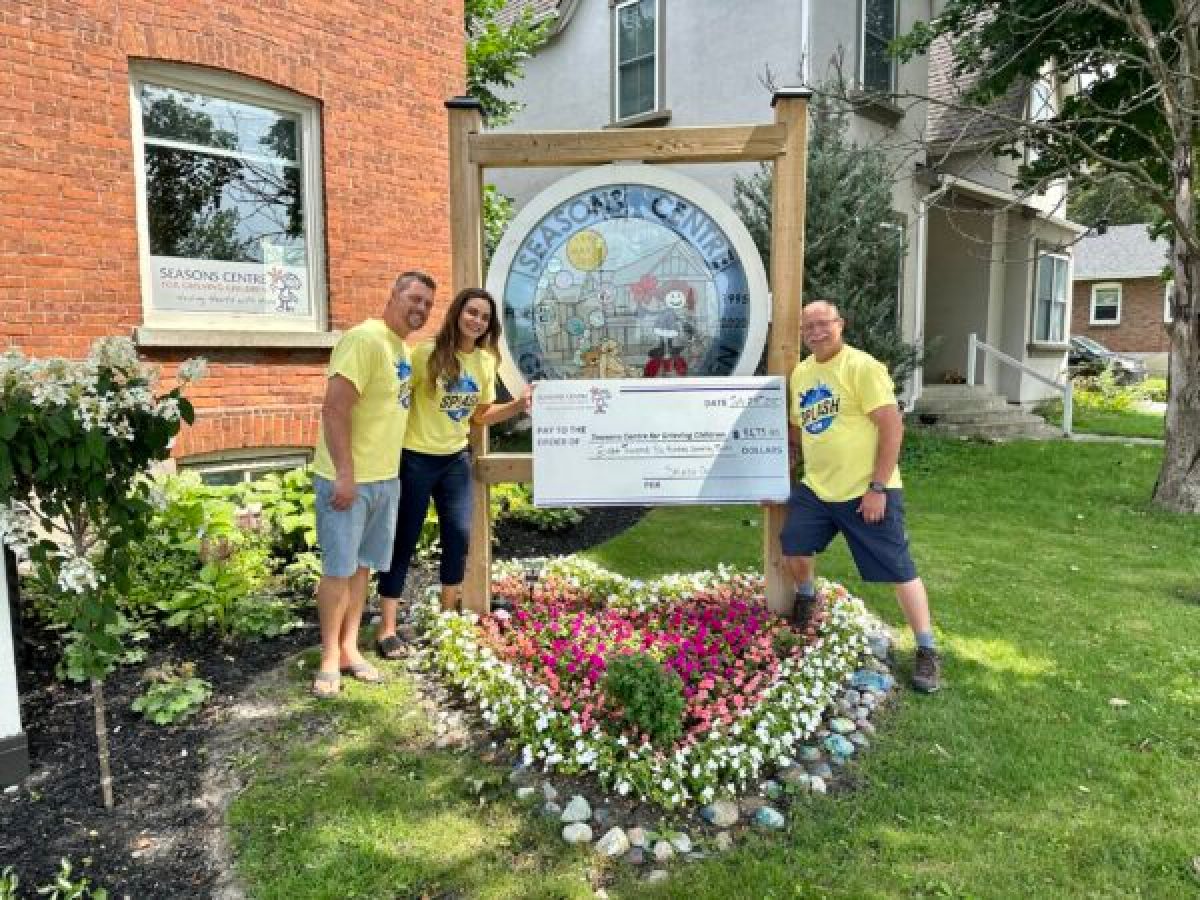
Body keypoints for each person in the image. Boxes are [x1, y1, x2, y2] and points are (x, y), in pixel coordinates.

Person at [781, 300, 941, 693]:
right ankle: (806, 597)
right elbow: (799, 430)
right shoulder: (802, 373)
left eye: (824, 324)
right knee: (794, 550)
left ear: (841, 324)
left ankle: (926, 649)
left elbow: (892, 428)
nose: (816, 332)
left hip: (866, 491)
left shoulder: (862, 367)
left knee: (898, 569)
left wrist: (878, 487)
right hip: (818, 488)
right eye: (808, 327)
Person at [375, 287, 531, 656]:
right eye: (471, 312)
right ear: (458, 313)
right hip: (415, 459)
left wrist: (517, 406)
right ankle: (386, 629)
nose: (477, 320)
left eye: (484, 316)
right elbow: (396, 398)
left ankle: (447, 618)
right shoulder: (425, 354)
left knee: (458, 538)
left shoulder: (484, 362)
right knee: (404, 540)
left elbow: (479, 415)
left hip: (455, 460)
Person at [309, 271, 436, 698]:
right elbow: (334, 409)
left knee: (362, 568)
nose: (419, 309)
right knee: (338, 570)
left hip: (385, 478)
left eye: (427, 304)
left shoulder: (401, 349)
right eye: (414, 299)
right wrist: (345, 472)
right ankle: (328, 658)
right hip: (349, 480)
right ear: (393, 294)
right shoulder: (364, 339)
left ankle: (349, 648)